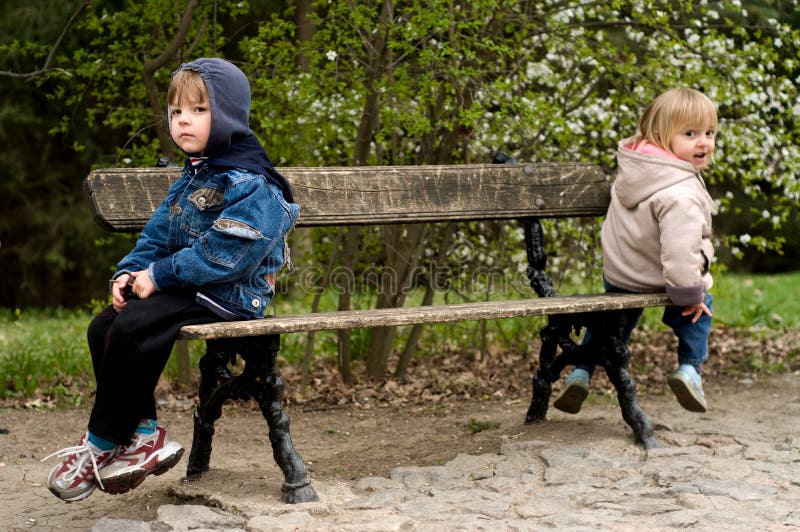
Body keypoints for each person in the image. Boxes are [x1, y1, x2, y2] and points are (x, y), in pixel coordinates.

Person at [43, 58, 299, 501]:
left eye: (199, 110)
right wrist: (129, 272)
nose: (184, 120)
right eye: (176, 111)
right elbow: (157, 236)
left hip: (234, 292)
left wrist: (159, 276)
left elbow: (228, 255)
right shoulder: (195, 173)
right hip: (192, 287)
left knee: (136, 323)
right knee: (104, 325)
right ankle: (141, 433)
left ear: (228, 115)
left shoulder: (251, 180)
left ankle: (100, 442)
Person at [554, 88, 717, 415]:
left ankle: (580, 373)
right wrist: (691, 293)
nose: (703, 142)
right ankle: (690, 370)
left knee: (609, 325)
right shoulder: (679, 192)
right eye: (690, 133)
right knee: (699, 310)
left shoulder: (636, 170)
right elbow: (680, 252)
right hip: (659, 277)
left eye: (709, 133)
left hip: (620, 275)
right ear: (661, 134)